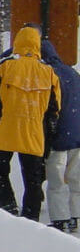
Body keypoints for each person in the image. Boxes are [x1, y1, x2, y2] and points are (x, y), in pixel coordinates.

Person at [0, 26, 60, 220]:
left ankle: (8, 207)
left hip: (6, 129)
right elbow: (55, 108)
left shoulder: (5, 66)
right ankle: (30, 217)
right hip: (33, 132)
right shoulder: (48, 72)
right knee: (32, 179)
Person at [40, 39, 80, 232]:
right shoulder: (73, 73)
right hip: (77, 135)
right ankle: (76, 216)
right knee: (75, 180)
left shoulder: (48, 74)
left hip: (58, 137)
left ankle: (60, 219)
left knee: (56, 182)